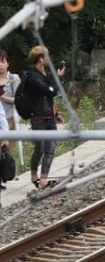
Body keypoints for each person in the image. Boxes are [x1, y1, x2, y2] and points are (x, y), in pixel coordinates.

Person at [23, 45, 64, 189]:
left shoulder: (45, 74)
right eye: (47, 56)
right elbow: (50, 92)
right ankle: (34, 174)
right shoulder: (32, 77)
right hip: (38, 118)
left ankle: (44, 179)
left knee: (50, 147)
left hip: (49, 116)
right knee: (39, 148)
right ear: (41, 59)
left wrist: (56, 113)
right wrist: (58, 78)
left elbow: (48, 98)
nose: (49, 59)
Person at [0, 48, 20, 131]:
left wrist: (4, 98)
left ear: (8, 64)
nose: (0, 65)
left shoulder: (14, 78)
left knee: (7, 144)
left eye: (3, 62)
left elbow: (19, 100)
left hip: (9, 118)